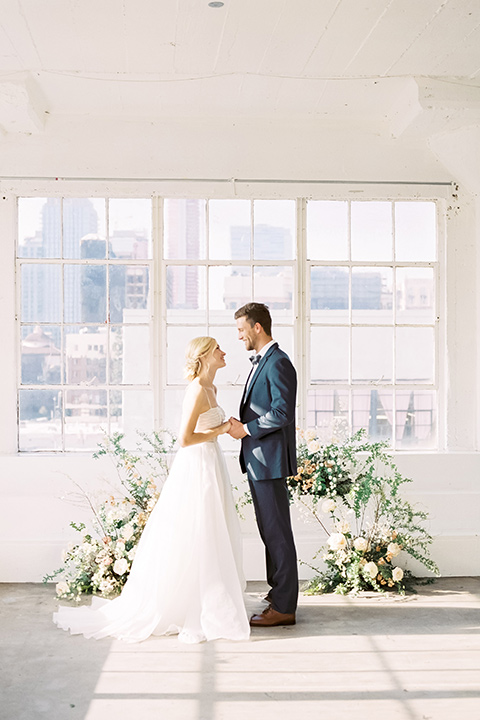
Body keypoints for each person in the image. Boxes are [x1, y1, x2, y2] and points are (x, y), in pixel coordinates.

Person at [53, 337, 250, 644]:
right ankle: (188, 605)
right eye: (218, 350)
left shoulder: (212, 388)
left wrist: (225, 427)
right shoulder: (197, 389)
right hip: (196, 465)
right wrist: (224, 429)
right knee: (197, 530)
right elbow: (185, 439)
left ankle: (209, 598)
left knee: (212, 529)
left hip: (211, 463)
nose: (224, 353)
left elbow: (203, 430)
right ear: (204, 356)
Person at [228, 302, 299, 627]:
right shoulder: (264, 362)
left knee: (277, 533)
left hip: (268, 461)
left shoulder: (278, 362)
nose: (239, 335)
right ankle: (278, 592)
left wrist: (246, 429)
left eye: (242, 329)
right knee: (270, 532)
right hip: (259, 461)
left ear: (258, 327)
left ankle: (284, 607)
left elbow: (282, 413)